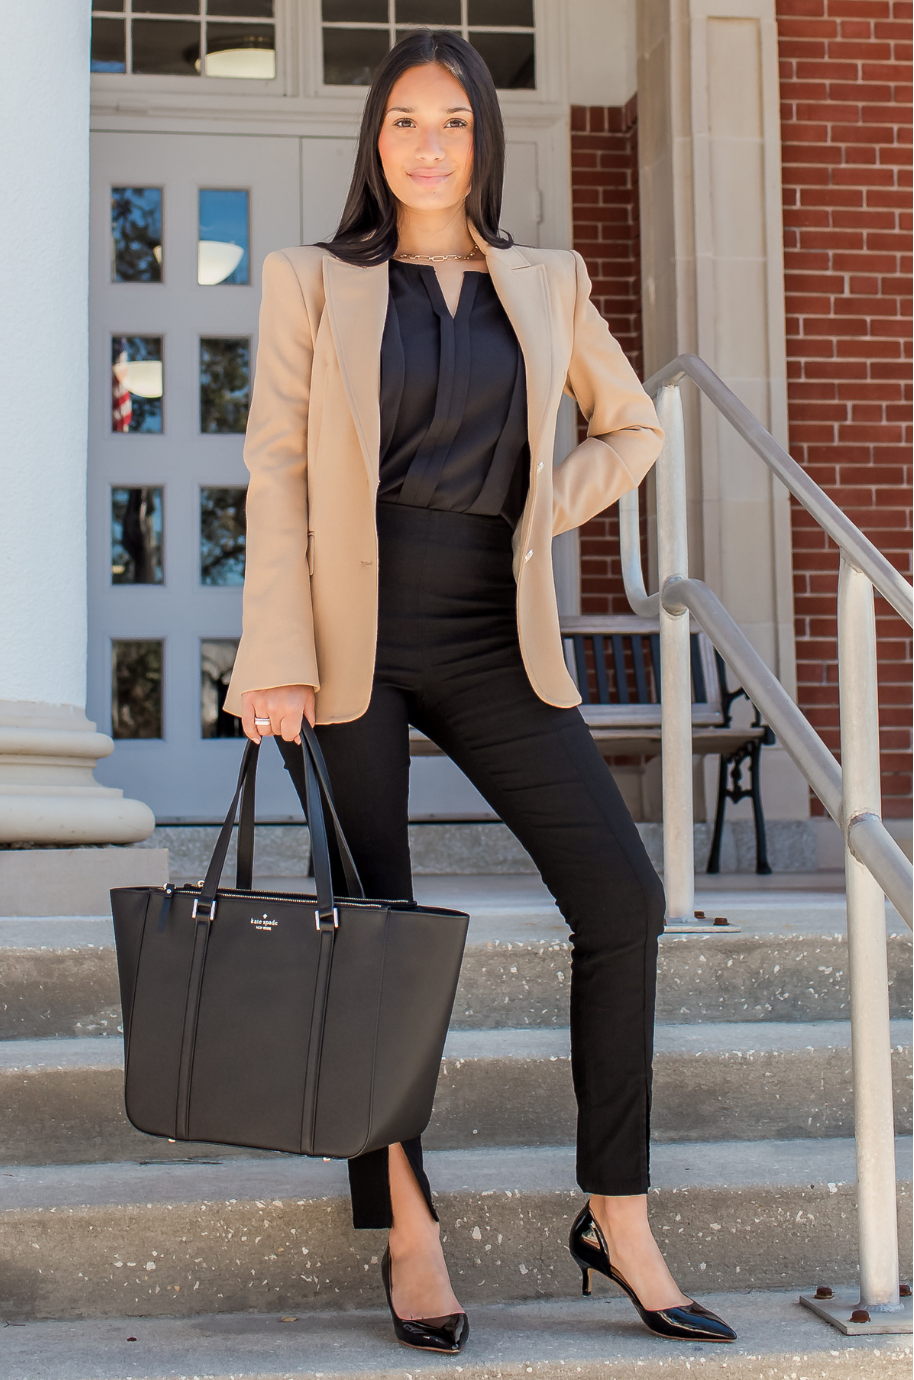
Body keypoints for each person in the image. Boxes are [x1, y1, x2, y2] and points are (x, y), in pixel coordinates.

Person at [224, 28, 736, 1355]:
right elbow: (274, 474)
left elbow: (631, 426)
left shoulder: (546, 283)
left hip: (491, 632)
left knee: (619, 900)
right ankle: (407, 1228)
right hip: (348, 635)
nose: (428, 143)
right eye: (403, 120)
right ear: (373, 142)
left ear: (482, 140)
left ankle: (614, 1212)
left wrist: (531, 512)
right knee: (371, 931)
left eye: (451, 120)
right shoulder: (309, 282)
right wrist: (270, 651)